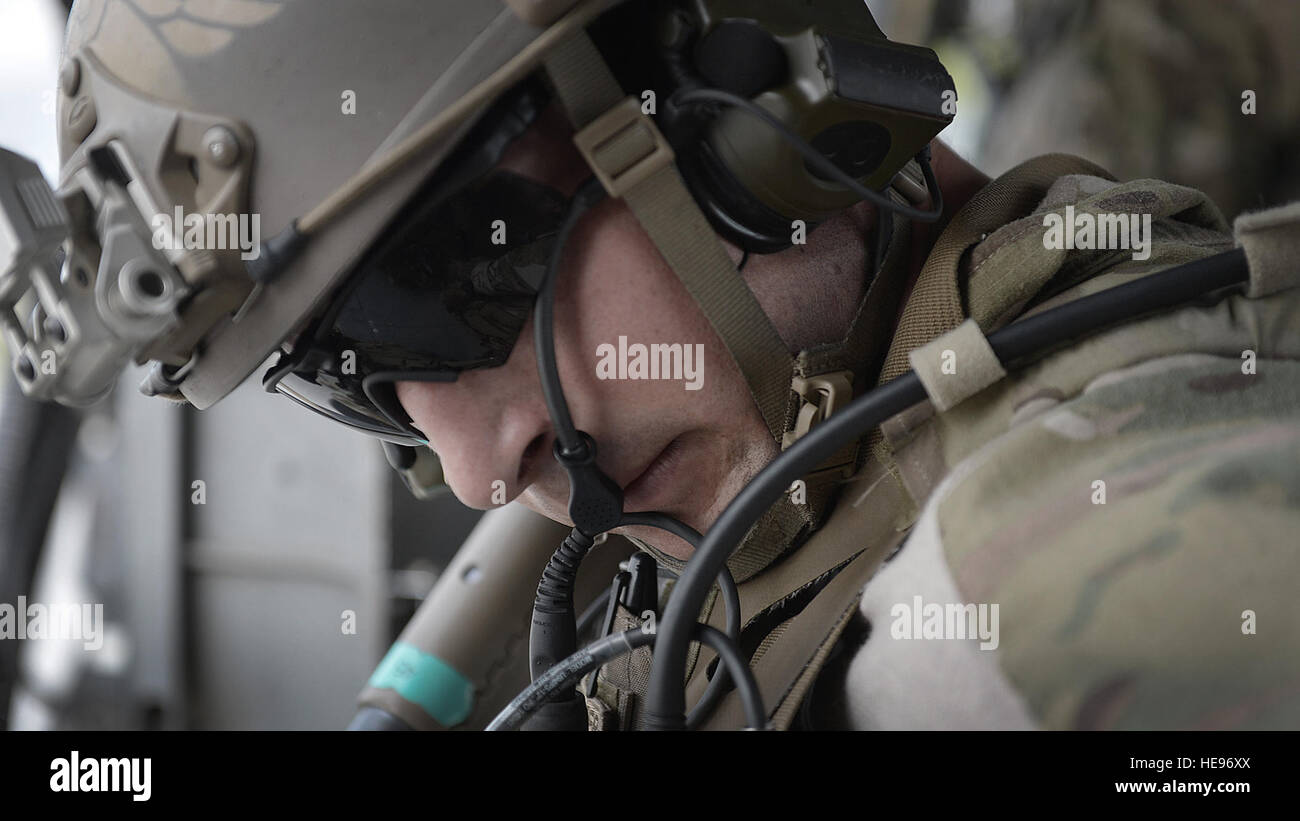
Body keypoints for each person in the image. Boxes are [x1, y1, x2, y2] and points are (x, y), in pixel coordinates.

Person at [13, 0, 1298, 730]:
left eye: (453, 282)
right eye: (358, 375)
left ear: (752, 122)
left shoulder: (1074, 558)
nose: (470, 467)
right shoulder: (751, 506)